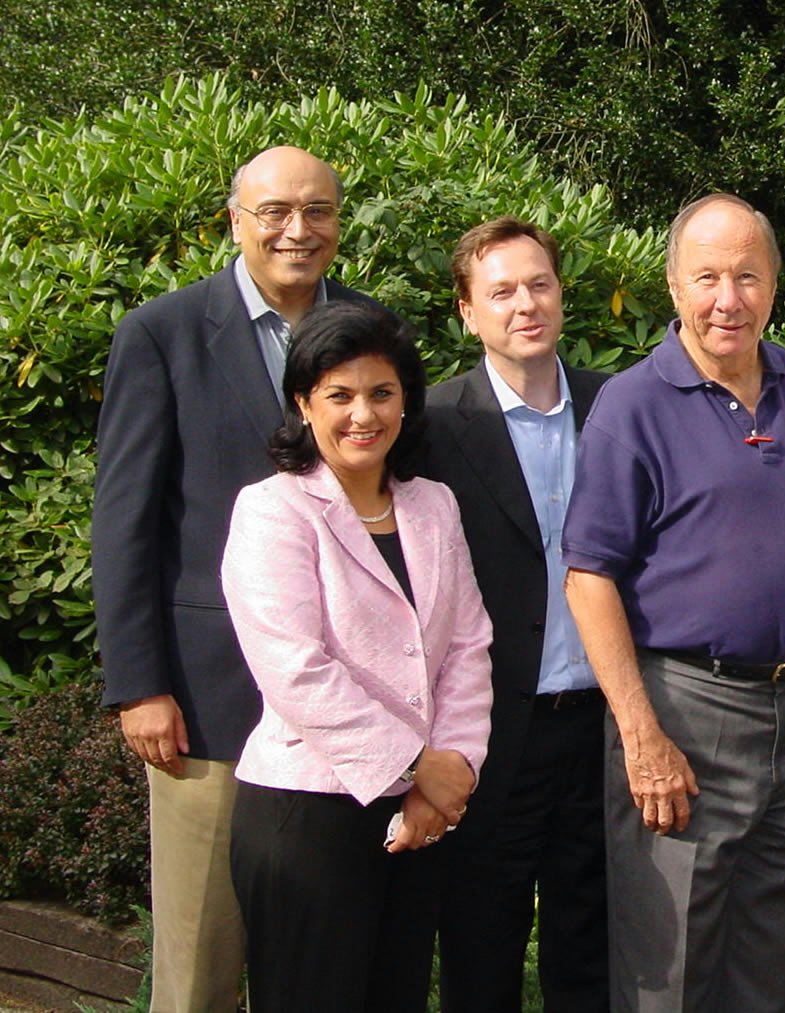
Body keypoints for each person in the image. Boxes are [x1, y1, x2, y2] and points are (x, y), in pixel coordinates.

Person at [91, 145, 370, 1012]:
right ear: (236, 220)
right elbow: (125, 519)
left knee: (321, 964)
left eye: (318, 210)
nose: (297, 229)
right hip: (207, 701)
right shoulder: (163, 333)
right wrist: (139, 683)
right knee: (199, 967)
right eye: (275, 211)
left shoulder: (370, 326)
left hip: (344, 701)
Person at [563, 193, 785, 1013]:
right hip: (686, 710)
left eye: (748, 276)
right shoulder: (633, 404)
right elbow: (588, 576)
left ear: (775, 284)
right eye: (708, 277)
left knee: (773, 956)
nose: (729, 299)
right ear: (675, 285)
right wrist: (640, 733)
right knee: (670, 966)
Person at [220, 301, 494, 1012]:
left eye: (382, 392)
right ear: (304, 403)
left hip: (419, 813)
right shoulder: (273, 509)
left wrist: (452, 770)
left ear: (406, 401)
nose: (363, 414)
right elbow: (294, 667)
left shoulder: (434, 505)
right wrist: (418, 763)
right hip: (307, 814)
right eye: (339, 395)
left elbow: (468, 644)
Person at [421, 217, 610, 1011]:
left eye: (539, 284)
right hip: (490, 730)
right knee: (480, 945)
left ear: (562, 294)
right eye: (501, 291)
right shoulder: (432, 425)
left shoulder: (617, 405)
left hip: (603, 724)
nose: (525, 304)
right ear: (468, 312)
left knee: (593, 946)